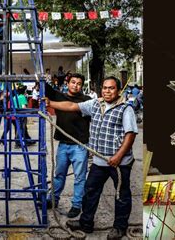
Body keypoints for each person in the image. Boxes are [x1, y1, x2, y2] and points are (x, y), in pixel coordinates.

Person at [46, 76, 138, 240]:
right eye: (104, 87)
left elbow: (130, 135)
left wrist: (118, 156)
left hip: (119, 163)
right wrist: (50, 104)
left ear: (118, 90)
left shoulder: (126, 109)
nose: (107, 91)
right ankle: (86, 223)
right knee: (90, 191)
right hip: (99, 161)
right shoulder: (95, 104)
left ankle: (119, 228)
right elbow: (72, 105)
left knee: (121, 196)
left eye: (111, 88)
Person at [43, 73, 91, 218]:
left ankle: (76, 205)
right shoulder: (59, 96)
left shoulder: (86, 100)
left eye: (79, 83)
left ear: (82, 86)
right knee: (59, 175)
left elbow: (71, 107)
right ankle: (53, 200)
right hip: (63, 145)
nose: (75, 85)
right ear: (67, 83)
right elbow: (44, 87)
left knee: (79, 178)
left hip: (80, 146)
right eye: (73, 82)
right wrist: (40, 75)